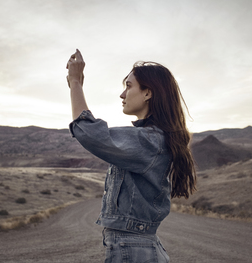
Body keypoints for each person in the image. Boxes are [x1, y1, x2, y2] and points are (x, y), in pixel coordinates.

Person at [66, 49, 197, 263]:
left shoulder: (150, 140)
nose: (122, 94)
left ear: (148, 93)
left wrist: (75, 83)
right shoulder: (154, 138)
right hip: (138, 246)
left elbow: (88, 132)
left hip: (133, 248)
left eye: (128, 86)